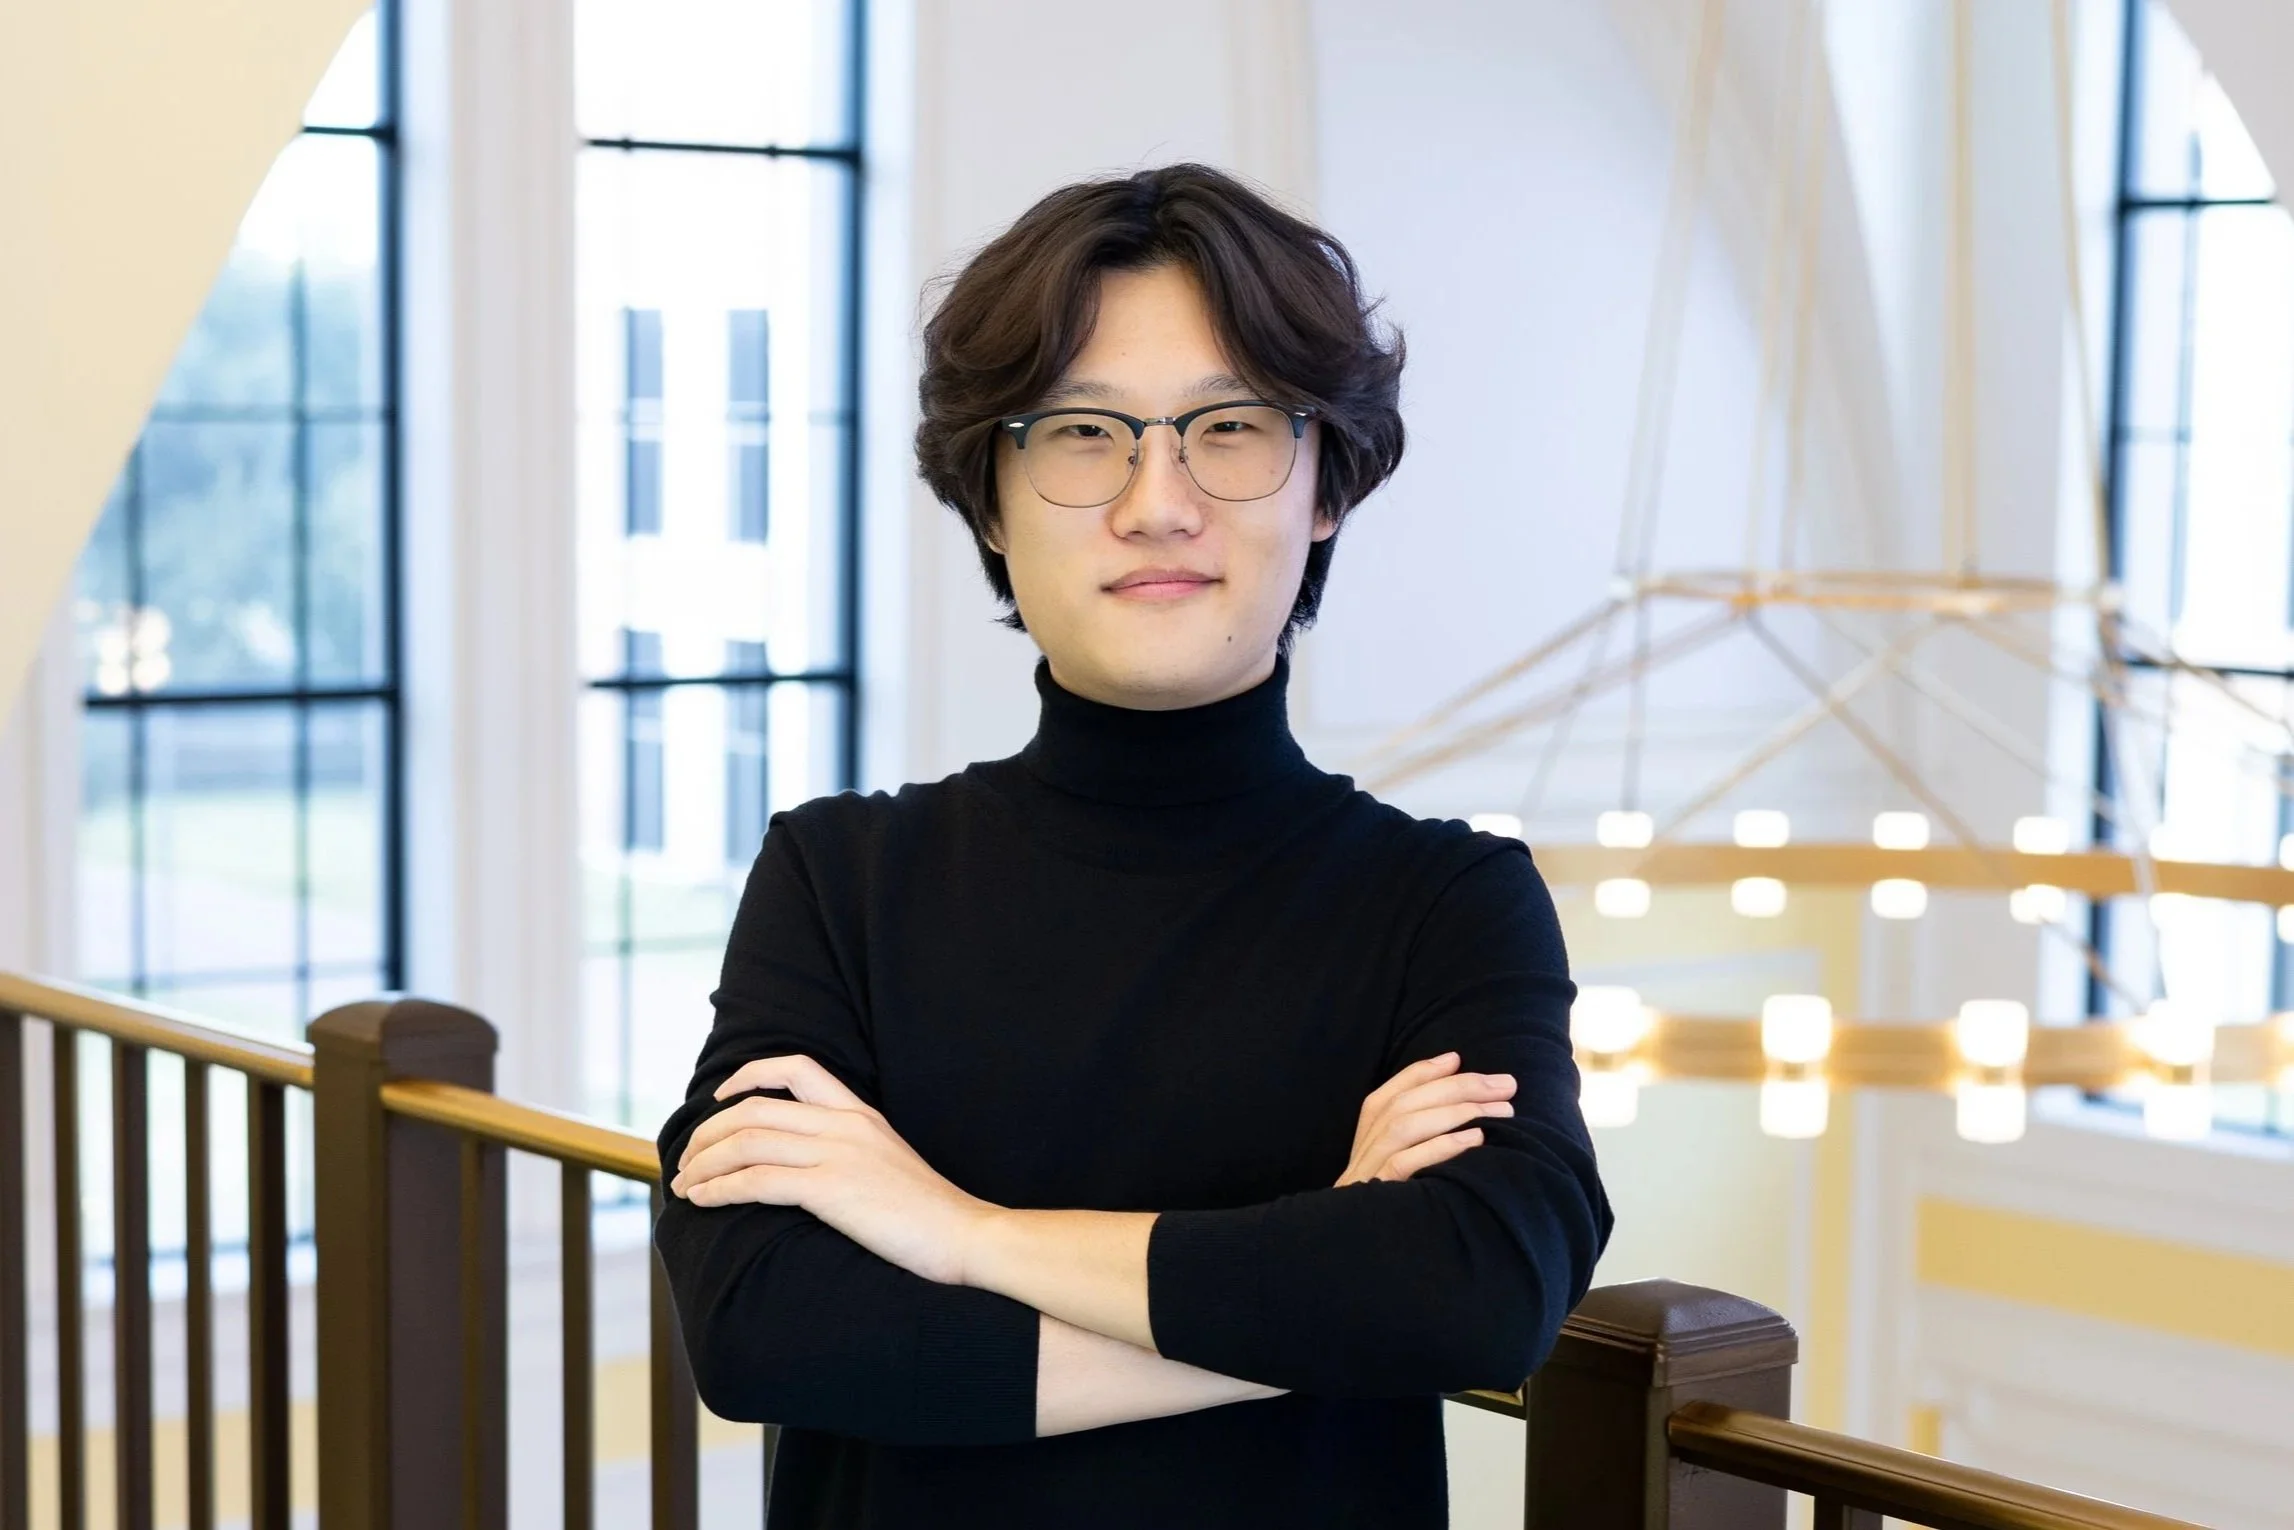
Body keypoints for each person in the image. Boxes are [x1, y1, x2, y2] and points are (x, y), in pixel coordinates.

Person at [656, 162, 1613, 1528]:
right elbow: (763, 1325)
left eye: (1229, 428)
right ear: (990, 501)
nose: (1157, 501)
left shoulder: (1446, 899)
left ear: (1325, 486)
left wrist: (957, 1232)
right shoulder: (840, 876)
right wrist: (1313, 1288)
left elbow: (1476, 1290)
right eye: (1081, 432)